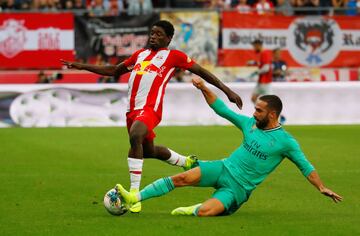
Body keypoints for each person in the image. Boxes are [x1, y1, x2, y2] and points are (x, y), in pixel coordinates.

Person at [61, 20, 242, 213]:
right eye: (152, 33)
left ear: (169, 38)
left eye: (158, 34)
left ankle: (134, 195)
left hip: (150, 109)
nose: (153, 37)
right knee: (147, 150)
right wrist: (81, 66)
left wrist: (227, 90)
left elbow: (202, 71)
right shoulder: (140, 55)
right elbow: (114, 71)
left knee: (135, 136)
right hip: (132, 111)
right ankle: (185, 161)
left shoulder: (174, 57)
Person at [114, 77, 342, 217]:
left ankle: (194, 208)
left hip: (238, 189)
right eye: (255, 109)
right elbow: (222, 109)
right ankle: (135, 198)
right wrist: (203, 87)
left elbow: (305, 166)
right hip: (223, 167)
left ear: (272, 114)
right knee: (180, 179)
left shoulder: (286, 142)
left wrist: (321, 187)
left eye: (259, 110)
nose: (254, 113)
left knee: (205, 212)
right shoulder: (250, 124)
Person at [247, 39, 273, 104]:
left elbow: (266, 68)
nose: (254, 48)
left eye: (254, 46)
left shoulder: (265, 53)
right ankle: (261, 112)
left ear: (258, 45)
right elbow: (262, 63)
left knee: (270, 102)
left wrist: (256, 72)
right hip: (261, 81)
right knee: (253, 98)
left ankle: (278, 114)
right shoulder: (262, 54)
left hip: (265, 82)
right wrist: (254, 62)